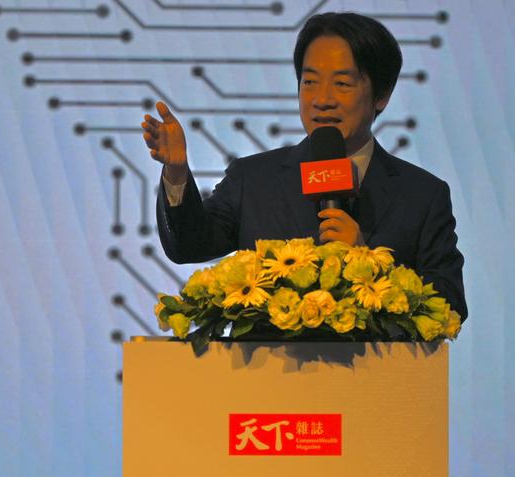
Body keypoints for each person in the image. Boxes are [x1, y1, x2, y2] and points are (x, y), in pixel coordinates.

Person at [142, 12, 468, 321]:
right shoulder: (253, 180)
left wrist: (370, 264)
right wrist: (176, 172)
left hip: (376, 378)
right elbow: (189, 245)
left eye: (342, 84)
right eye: (310, 82)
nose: (321, 99)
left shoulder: (422, 195)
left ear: (381, 95)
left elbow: (450, 303)